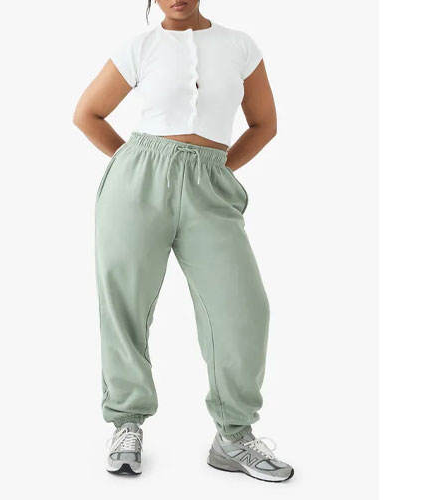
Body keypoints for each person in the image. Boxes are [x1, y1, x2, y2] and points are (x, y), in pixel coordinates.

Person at [73, 0, 293, 482]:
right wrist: (132, 166)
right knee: (125, 304)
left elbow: (265, 124)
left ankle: (234, 436)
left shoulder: (239, 45)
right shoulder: (140, 47)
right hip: (137, 185)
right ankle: (126, 423)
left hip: (209, 187)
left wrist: (216, 170)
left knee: (244, 308)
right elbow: (87, 113)